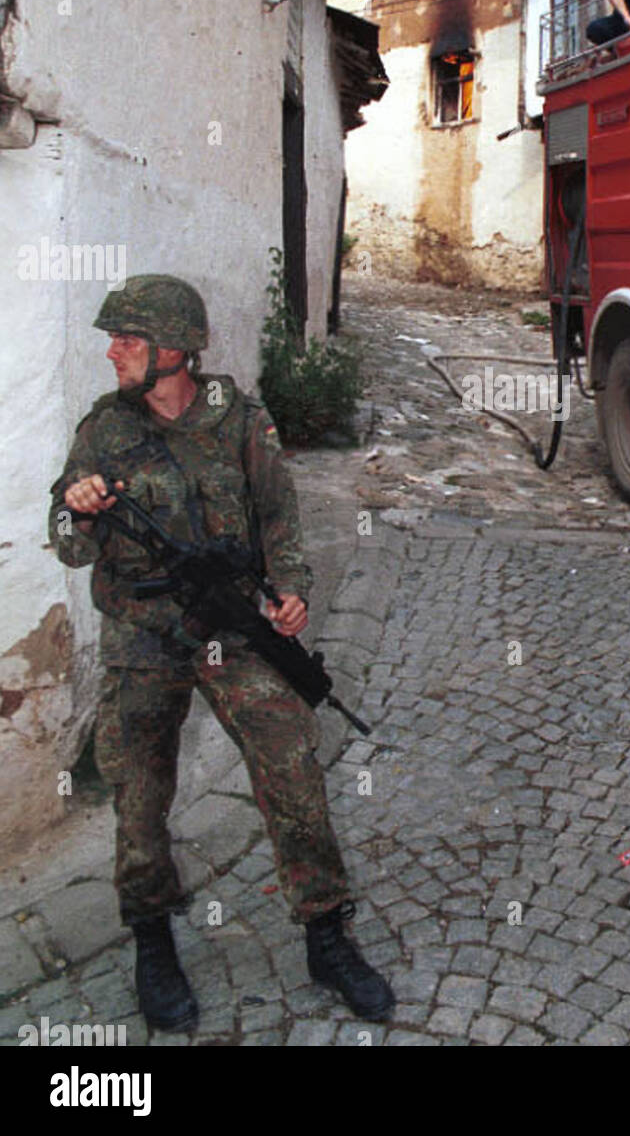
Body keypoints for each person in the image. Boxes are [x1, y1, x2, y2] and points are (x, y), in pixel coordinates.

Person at [48, 275, 394, 1031]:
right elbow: (68, 545)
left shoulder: (239, 420)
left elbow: (279, 515)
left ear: (174, 351)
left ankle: (325, 933)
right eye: (114, 340)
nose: (113, 352)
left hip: (229, 632)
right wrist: (78, 510)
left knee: (292, 757)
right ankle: (151, 937)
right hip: (142, 635)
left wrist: (292, 588)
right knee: (137, 793)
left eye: (128, 340)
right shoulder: (103, 430)